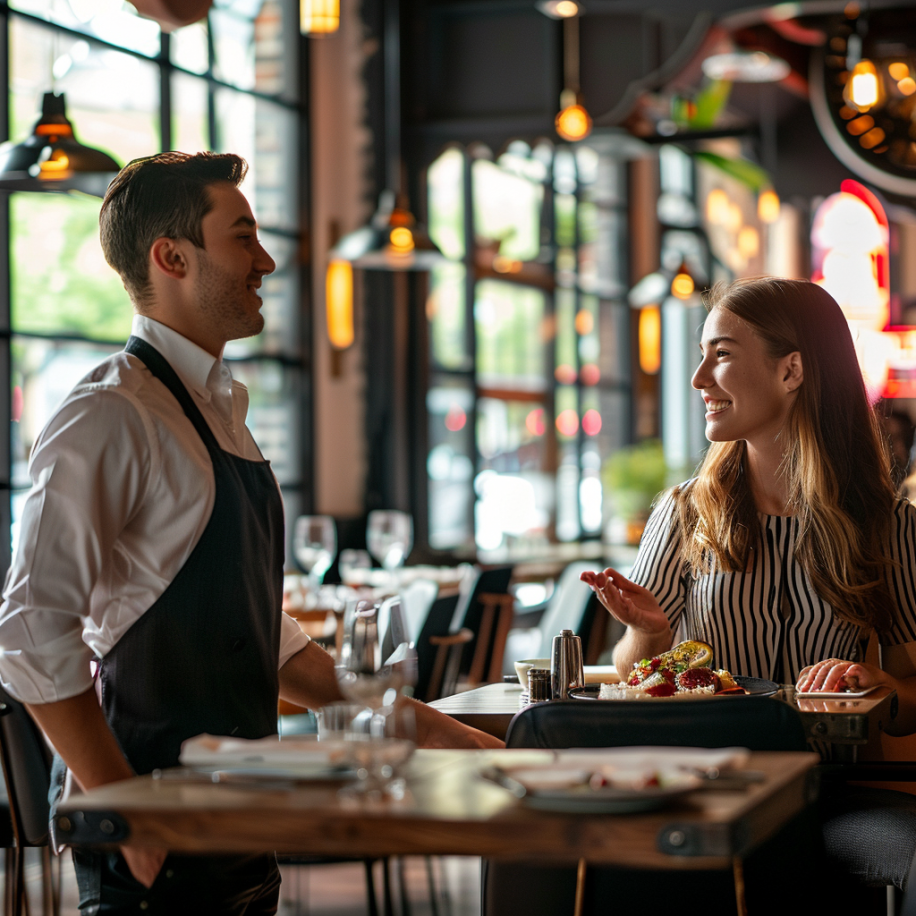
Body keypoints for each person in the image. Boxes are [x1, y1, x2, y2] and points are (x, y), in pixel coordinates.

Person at [0, 151, 500, 915]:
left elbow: (262, 640)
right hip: (156, 841)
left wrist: (450, 736)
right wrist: (124, 802)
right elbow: (31, 631)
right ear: (172, 257)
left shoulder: (220, 407)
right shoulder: (108, 412)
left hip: (242, 824)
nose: (265, 260)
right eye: (243, 237)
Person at [583, 277, 916, 732]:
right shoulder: (685, 511)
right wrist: (650, 632)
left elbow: (909, 705)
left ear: (790, 371)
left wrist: (881, 684)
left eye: (721, 354)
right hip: (708, 780)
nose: (699, 378)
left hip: (827, 786)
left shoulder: (890, 524)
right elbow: (633, 675)